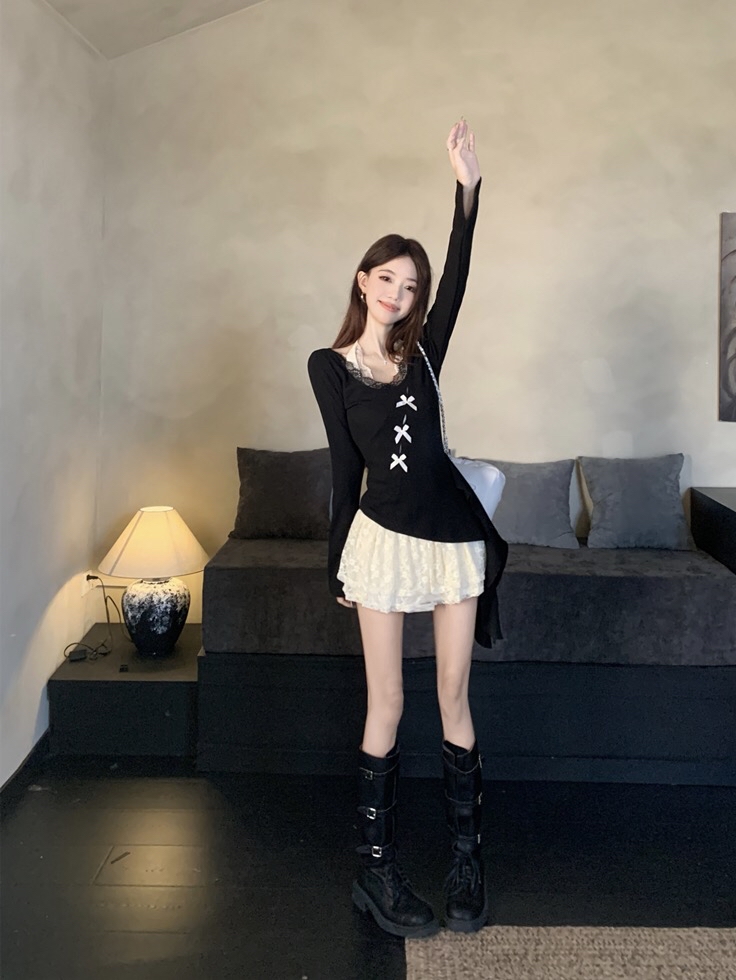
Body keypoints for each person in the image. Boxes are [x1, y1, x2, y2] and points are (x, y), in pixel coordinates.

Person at [307, 119, 507, 939]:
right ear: (363, 283)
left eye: (411, 285)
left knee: (452, 693)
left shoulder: (426, 351)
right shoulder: (330, 367)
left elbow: (460, 273)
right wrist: (337, 564)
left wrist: (467, 188)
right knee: (385, 700)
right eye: (387, 278)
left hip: (453, 540)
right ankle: (376, 870)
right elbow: (341, 470)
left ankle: (466, 861)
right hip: (381, 544)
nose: (398, 293)